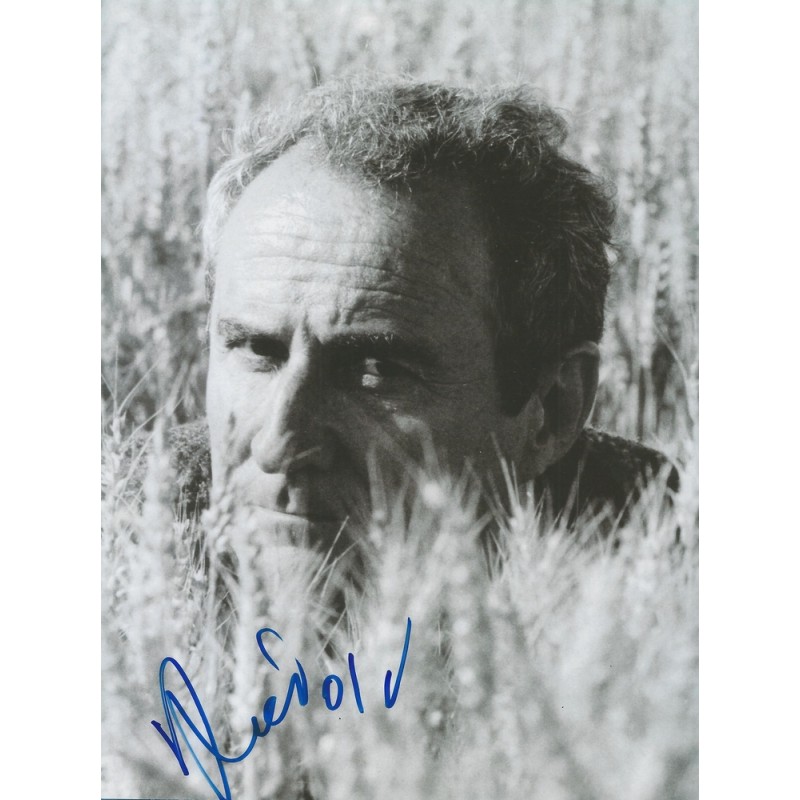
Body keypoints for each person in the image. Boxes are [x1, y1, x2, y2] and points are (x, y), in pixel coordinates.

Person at [157, 78, 675, 544]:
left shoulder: (683, 561)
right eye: (257, 349)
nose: (278, 445)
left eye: (376, 369)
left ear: (555, 409)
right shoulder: (121, 525)